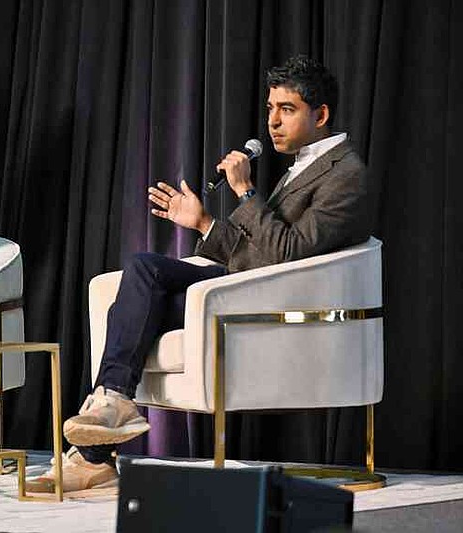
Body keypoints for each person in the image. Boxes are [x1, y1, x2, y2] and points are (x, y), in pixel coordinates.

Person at [27, 55, 378, 493]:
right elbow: (257, 253)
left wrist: (246, 192)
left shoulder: (346, 175)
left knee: (141, 300)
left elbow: (289, 253)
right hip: (245, 285)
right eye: (270, 108)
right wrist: (203, 222)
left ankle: (94, 455)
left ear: (321, 114)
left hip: (278, 306)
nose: (273, 122)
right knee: (143, 270)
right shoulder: (303, 167)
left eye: (286, 110)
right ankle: (111, 405)